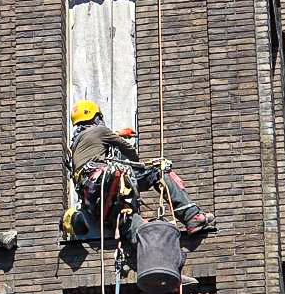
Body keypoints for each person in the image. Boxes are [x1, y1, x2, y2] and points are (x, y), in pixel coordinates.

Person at [65, 100, 214, 241]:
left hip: (94, 201)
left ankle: (145, 241)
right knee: (157, 171)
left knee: (126, 215)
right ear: (96, 117)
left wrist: (116, 134)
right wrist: (134, 162)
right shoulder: (101, 130)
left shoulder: (75, 145)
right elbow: (129, 150)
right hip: (105, 182)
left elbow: (95, 141)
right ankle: (191, 216)